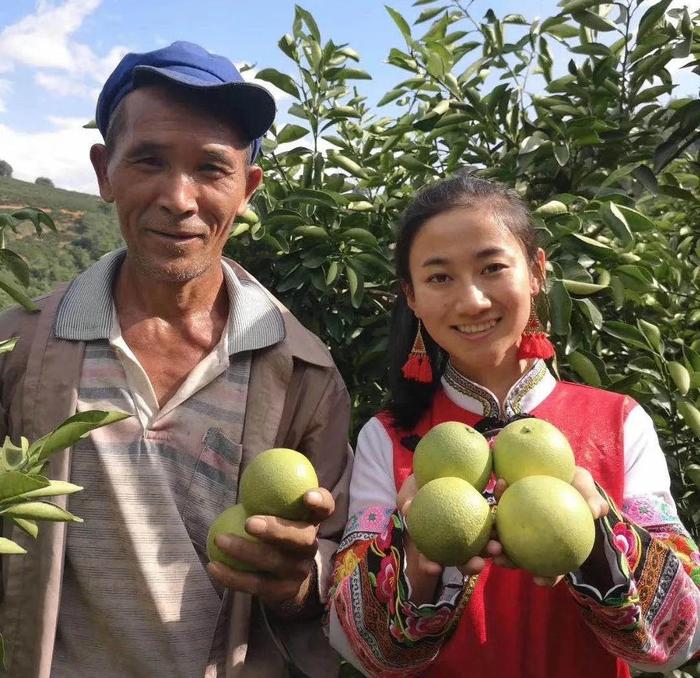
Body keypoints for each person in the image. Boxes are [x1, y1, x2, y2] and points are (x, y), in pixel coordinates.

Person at [0, 41, 353, 678]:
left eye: (212, 169)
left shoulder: (304, 373)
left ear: (248, 188)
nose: (179, 198)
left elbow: (336, 572)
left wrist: (300, 579)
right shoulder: (19, 349)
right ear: (105, 172)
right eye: (149, 160)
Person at [327, 173, 700, 677]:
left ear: (537, 272)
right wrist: (418, 553)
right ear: (410, 297)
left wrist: (597, 535)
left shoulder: (619, 421)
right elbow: (359, 648)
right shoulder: (386, 437)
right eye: (440, 277)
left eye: (492, 267)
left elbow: (682, 636)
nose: (473, 300)